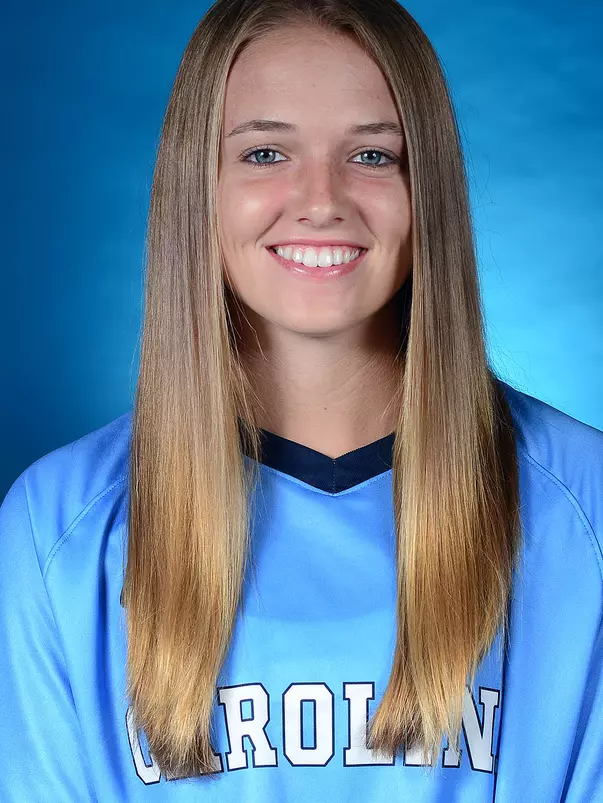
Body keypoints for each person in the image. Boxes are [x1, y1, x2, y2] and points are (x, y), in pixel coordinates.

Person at [1, 0, 602, 799]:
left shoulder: (584, 503)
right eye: (265, 152)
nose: (320, 199)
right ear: (198, 190)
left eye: (373, 156)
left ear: (429, 190)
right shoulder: (57, 525)